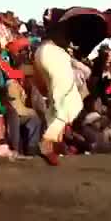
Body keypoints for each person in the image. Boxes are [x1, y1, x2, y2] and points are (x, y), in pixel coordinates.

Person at [33, 15, 84, 165]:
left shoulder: (60, 21)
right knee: (73, 104)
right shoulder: (74, 23)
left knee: (56, 104)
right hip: (54, 54)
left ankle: (56, 143)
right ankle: (47, 143)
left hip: (41, 52)